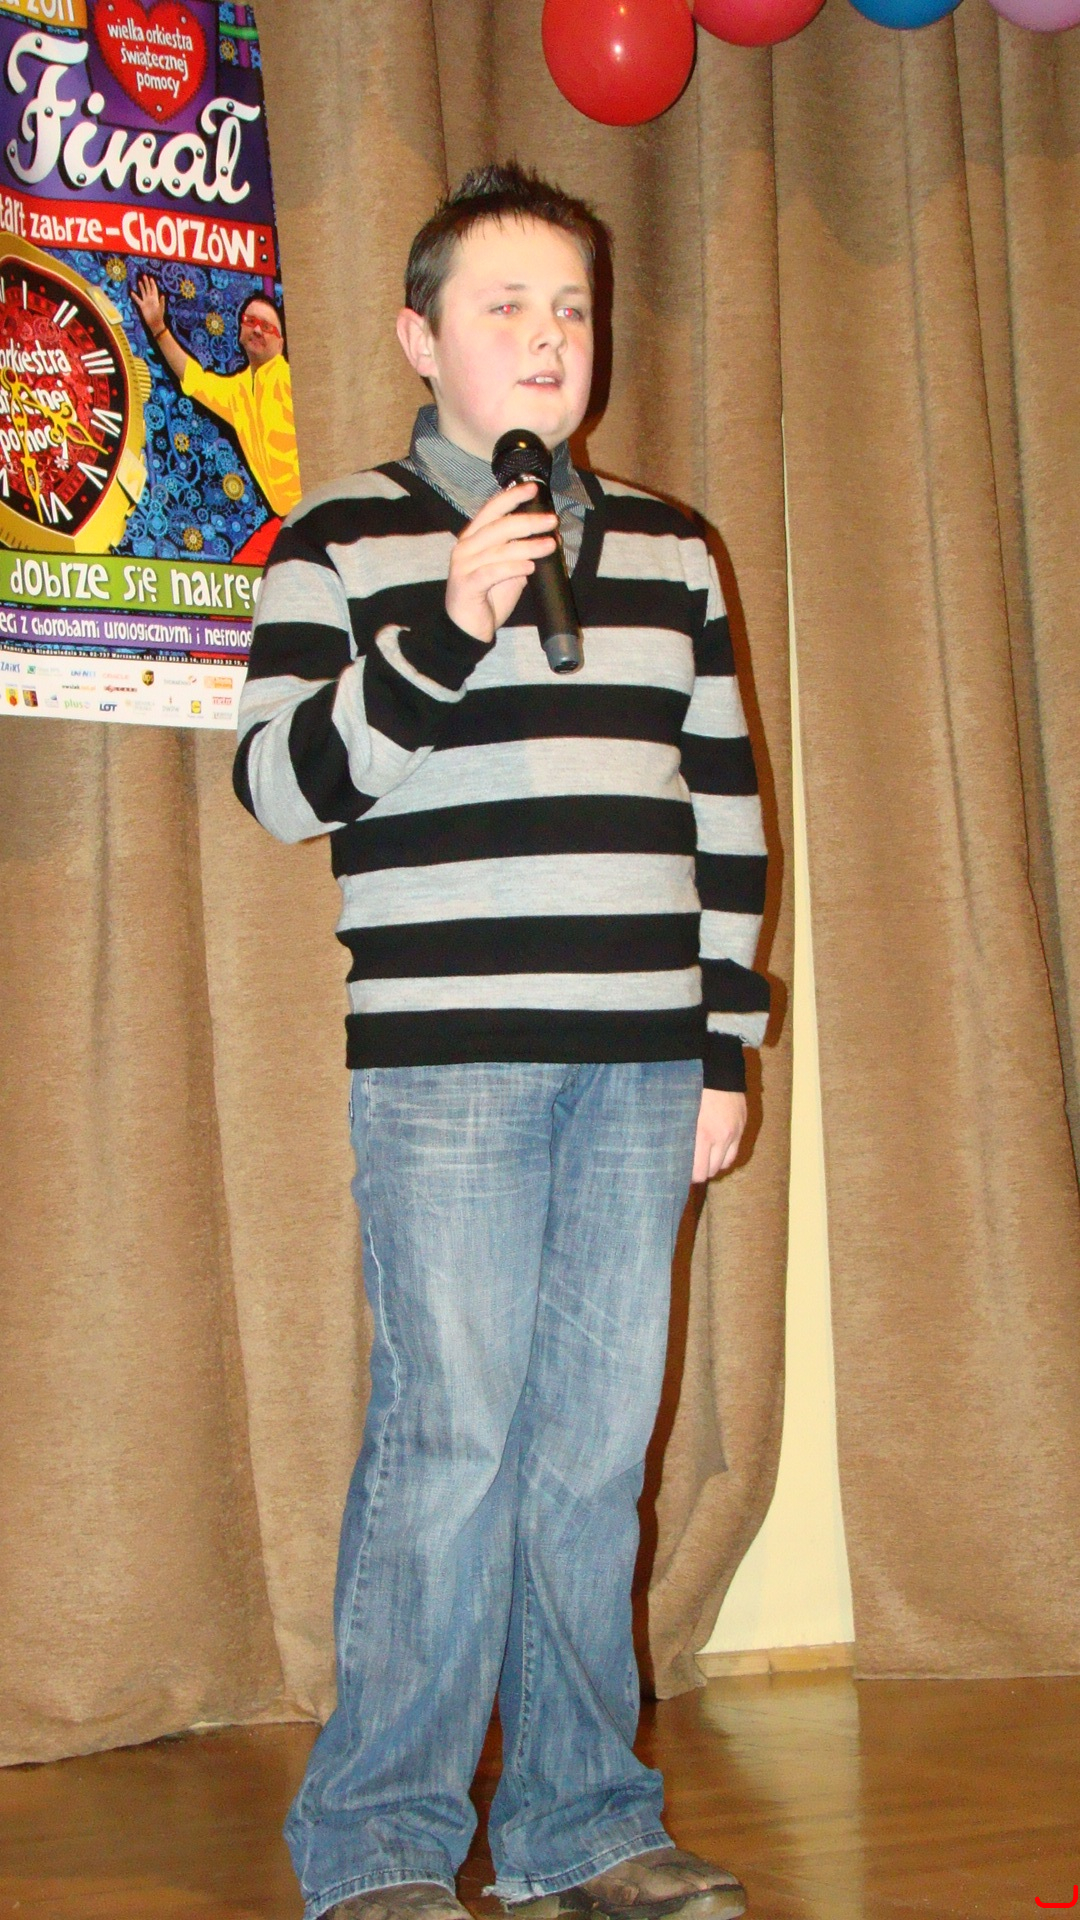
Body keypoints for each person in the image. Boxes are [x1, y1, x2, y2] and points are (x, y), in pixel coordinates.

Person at [233, 163, 770, 1920]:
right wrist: (449, 626)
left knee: (592, 1459)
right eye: (506, 308)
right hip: (446, 1065)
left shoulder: (674, 550)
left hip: (641, 1070)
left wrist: (724, 1049)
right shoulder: (340, 541)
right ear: (420, 336)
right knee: (450, 1446)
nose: (549, 341)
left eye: (573, 311)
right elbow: (277, 785)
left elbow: (725, 816)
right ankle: (378, 1845)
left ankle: (581, 1827)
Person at [131, 276, 301, 561]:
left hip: (314, 512)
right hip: (286, 520)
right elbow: (194, 379)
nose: (257, 329)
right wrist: (158, 328)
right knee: (242, 578)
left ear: (281, 342)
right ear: (240, 332)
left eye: (267, 326)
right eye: (250, 321)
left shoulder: (288, 380)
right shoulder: (238, 391)